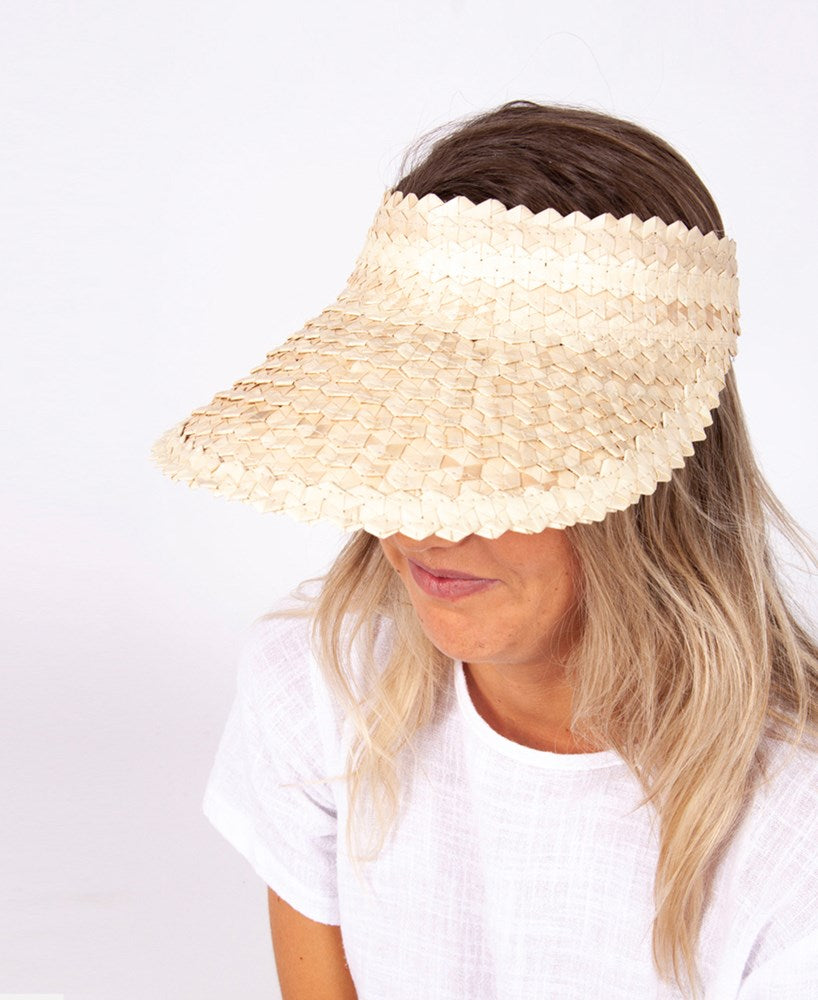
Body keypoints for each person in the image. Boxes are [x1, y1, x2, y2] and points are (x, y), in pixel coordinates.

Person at [151, 100, 818, 999]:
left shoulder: (790, 831)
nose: (425, 522)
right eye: (403, 436)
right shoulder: (323, 684)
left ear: (658, 482)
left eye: (504, 460)